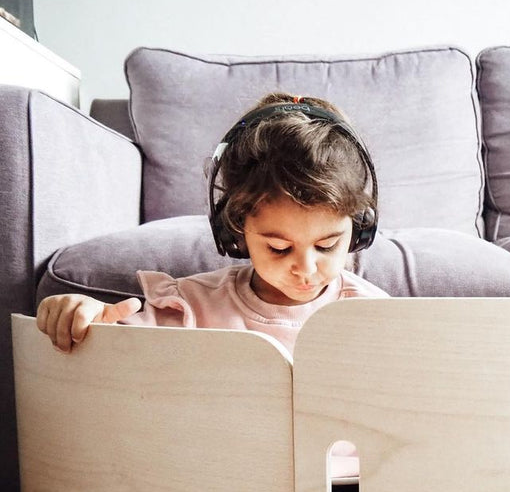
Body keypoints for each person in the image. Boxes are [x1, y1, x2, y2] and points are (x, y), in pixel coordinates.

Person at [36, 92, 388, 354]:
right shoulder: (188, 306)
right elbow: (118, 347)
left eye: (327, 245)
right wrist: (85, 316)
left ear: (359, 228)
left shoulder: (377, 315)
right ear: (234, 231)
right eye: (279, 248)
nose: (306, 269)